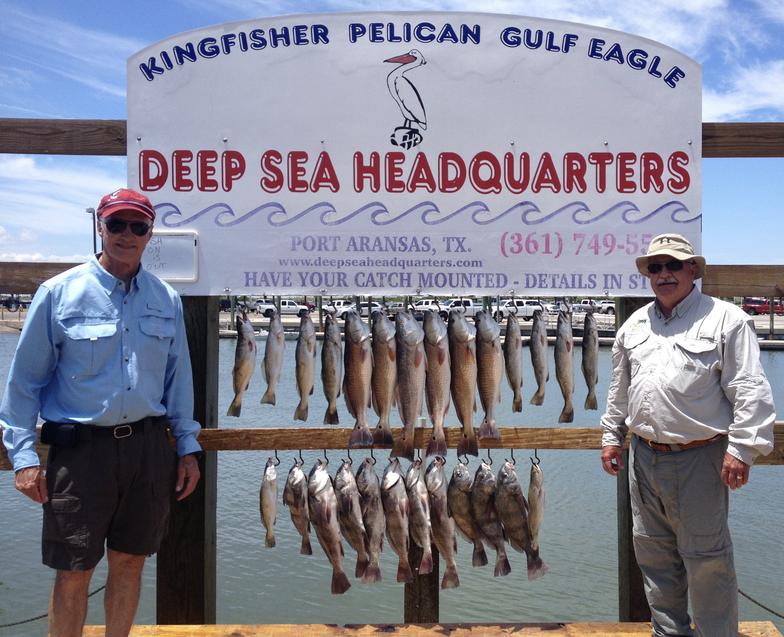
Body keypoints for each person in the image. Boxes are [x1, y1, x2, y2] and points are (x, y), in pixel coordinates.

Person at [1, 188, 202, 637]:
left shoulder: (166, 299)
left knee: (130, 564)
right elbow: (23, 384)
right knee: (73, 572)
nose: (126, 235)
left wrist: (187, 449)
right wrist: (24, 458)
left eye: (138, 226)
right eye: (117, 224)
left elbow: (179, 383)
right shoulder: (58, 293)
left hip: (149, 451)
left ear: (150, 234)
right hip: (80, 453)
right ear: (100, 226)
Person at [600, 233, 775, 637]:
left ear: (692, 269)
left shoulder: (727, 320)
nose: (664, 274)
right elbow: (619, 391)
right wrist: (611, 436)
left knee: (708, 563)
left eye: (673, 265)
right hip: (643, 458)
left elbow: (749, 388)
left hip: (701, 459)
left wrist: (743, 449)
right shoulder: (633, 325)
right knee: (654, 559)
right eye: (655, 267)